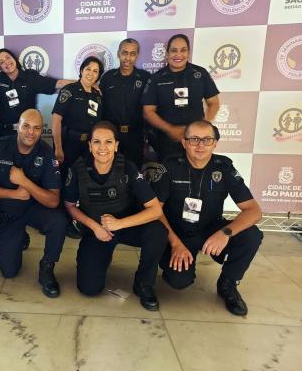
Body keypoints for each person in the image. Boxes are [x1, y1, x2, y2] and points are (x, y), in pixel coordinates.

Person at [150, 120, 263, 316]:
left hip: (210, 230)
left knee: (252, 235)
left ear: (215, 143)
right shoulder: (169, 166)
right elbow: (154, 211)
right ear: (184, 142)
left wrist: (225, 233)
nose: (200, 145)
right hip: (176, 233)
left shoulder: (223, 167)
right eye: (194, 139)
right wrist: (175, 243)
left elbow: (254, 210)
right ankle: (172, 259)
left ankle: (228, 284)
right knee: (178, 281)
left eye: (207, 140)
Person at [64, 121, 167, 311]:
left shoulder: (128, 168)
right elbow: (69, 206)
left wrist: (119, 223)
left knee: (158, 231)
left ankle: (144, 284)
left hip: (126, 226)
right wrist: (94, 226)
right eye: (97, 142)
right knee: (89, 288)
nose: (102, 147)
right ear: (90, 145)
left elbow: (155, 210)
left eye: (108, 142)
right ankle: (102, 258)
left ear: (116, 145)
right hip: (97, 232)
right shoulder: (77, 168)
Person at [0, 109, 67, 298]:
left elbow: (53, 201)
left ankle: (47, 267)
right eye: (26, 126)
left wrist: (25, 182)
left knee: (59, 220)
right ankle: (14, 240)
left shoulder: (46, 152)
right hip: (8, 210)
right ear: (18, 126)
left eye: (36, 128)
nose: (30, 132)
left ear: (42, 130)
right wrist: (15, 194)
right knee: (8, 271)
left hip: (35, 209)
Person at [142, 34, 220, 161]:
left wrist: (201, 128)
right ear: (167, 53)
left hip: (197, 142)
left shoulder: (200, 74)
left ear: (188, 52)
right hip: (166, 141)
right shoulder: (156, 79)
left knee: (197, 171)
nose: (178, 55)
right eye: (174, 50)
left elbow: (214, 103)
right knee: (168, 172)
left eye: (183, 50)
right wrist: (170, 130)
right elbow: (148, 112)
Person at [52, 56, 104, 238]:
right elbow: (56, 119)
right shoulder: (70, 90)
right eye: (88, 69)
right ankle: (62, 222)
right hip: (69, 144)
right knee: (64, 181)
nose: (91, 73)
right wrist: (58, 148)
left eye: (95, 71)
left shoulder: (97, 95)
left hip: (87, 147)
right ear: (81, 70)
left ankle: (79, 220)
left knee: (82, 182)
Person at [0, 48, 74, 136]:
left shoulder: (30, 77)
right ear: (0, 67)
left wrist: (82, 83)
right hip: (4, 133)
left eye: (8, 58)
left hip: (28, 133)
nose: (6, 62)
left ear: (14, 58)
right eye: (2, 62)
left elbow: (58, 83)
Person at [100, 38, 150, 169]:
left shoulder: (145, 78)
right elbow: (101, 109)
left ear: (137, 55)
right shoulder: (107, 78)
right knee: (111, 172)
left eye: (132, 54)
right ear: (118, 53)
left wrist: (147, 139)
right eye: (124, 53)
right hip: (112, 136)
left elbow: (150, 110)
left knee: (134, 172)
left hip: (136, 136)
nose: (128, 58)